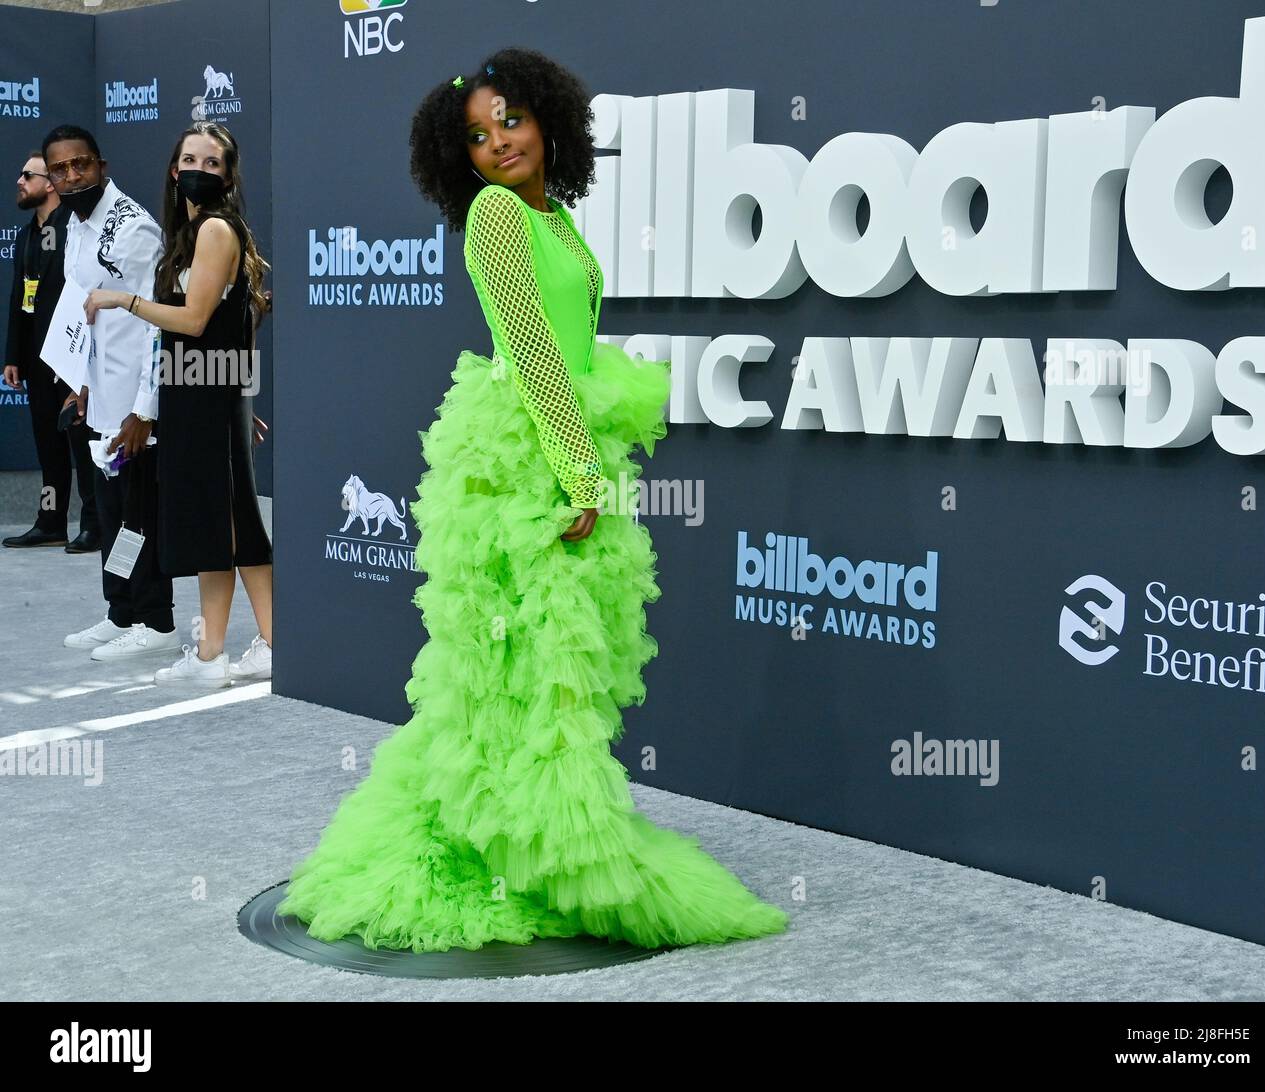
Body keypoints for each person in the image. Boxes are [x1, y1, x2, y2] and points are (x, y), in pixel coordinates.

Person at [274, 49, 789, 952]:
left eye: (510, 119)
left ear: (549, 118)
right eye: (476, 136)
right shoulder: (498, 219)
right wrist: (578, 470)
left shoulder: (554, 215)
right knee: (519, 667)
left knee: (538, 672)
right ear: (457, 158)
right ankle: (521, 849)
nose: (499, 143)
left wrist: (587, 459)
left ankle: (533, 839)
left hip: (558, 441)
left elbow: (573, 342)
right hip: (523, 460)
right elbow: (534, 351)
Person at [84, 121, 273, 688]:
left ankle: (268, 643)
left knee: (235, 525)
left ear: (227, 175)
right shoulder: (191, 236)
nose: (199, 169)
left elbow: (191, 321)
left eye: (212, 162)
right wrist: (235, 392)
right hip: (201, 396)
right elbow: (231, 324)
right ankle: (214, 651)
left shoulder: (216, 229)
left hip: (207, 401)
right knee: (219, 527)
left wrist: (123, 298)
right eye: (190, 159)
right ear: (174, 170)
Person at [45, 125, 181, 662]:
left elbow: (158, 325)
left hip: (133, 406)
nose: (72, 175)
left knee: (138, 514)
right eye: (61, 169)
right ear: (51, 178)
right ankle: (120, 611)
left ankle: (157, 619)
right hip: (98, 399)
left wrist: (145, 410)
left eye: (81, 164)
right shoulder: (74, 225)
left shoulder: (133, 228)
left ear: (101, 164)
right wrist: (79, 382)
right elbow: (87, 311)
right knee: (109, 512)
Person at [2, 151, 100, 553]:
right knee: (47, 443)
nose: (19, 182)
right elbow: (19, 299)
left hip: (74, 353)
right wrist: (13, 355)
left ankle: (94, 523)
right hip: (38, 356)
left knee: (81, 442)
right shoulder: (26, 235)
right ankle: (51, 519)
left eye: (27, 175)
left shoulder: (76, 229)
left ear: (50, 183)